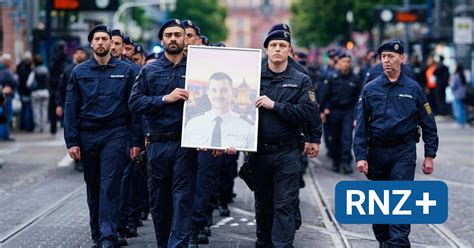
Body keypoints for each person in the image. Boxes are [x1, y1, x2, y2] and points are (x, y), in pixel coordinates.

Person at [353, 40, 439, 248]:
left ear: (402, 59)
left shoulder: (414, 89)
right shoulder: (370, 89)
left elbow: (428, 122)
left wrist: (429, 154)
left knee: (401, 199)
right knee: (380, 204)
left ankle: (399, 243)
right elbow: (361, 126)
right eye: (383, 57)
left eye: (391, 56)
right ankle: (384, 241)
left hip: (404, 151)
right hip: (377, 152)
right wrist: (361, 156)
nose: (386, 61)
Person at [64, 24, 142, 247]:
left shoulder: (127, 71)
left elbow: (134, 108)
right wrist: (72, 141)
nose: (100, 43)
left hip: (115, 134)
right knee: (93, 187)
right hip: (88, 134)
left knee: (110, 186)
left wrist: (135, 140)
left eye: (104, 39)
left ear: (111, 43)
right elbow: (71, 107)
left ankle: (108, 237)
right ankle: (97, 234)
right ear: (91, 43)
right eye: (96, 39)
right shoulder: (79, 72)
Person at [128, 18, 203, 247]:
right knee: (159, 203)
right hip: (157, 145)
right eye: (169, 35)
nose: (173, 38)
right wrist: (164, 99)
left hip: (185, 144)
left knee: (182, 199)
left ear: (185, 39)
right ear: (162, 39)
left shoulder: (197, 70)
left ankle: (177, 244)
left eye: (178, 35)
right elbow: (135, 103)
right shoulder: (149, 70)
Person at [251, 30, 316, 247]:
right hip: (258, 151)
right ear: (266, 50)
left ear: (289, 50)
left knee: (284, 203)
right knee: (263, 203)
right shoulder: (252, 77)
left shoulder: (301, 79)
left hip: (287, 151)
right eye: (273, 45)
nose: (277, 49)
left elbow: (307, 112)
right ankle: (264, 242)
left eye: (282, 45)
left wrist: (275, 106)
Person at [183, 72, 256, 150]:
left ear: (233, 93)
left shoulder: (248, 127)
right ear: (208, 93)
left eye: (224, 90)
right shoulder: (193, 124)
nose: (219, 95)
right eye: (214, 90)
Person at [321, 51, 361, 173]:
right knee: (334, 138)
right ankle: (336, 161)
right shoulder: (331, 77)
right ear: (338, 63)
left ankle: (346, 162)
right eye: (343, 61)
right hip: (333, 111)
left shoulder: (355, 79)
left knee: (347, 138)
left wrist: (357, 116)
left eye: (348, 62)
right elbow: (325, 95)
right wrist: (323, 110)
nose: (346, 64)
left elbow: (358, 98)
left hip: (348, 111)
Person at [28, 55, 50, 133]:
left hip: (36, 92)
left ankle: (38, 127)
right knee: (44, 110)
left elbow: (29, 83)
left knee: (36, 110)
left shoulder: (34, 71)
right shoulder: (46, 69)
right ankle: (44, 127)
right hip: (45, 91)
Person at [0, 53, 18, 141]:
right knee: (5, 117)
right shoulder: (6, 72)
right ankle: (4, 136)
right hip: (5, 97)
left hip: (3, 96)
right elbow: (14, 82)